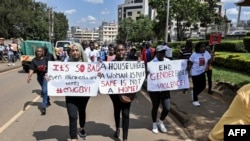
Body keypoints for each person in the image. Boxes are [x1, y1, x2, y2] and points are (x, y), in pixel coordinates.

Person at [109, 43, 134, 141]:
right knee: (116, 111)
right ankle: (117, 128)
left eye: (122, 50)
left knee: (126, 114)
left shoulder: (131, 63)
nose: (120, 52)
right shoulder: (110, 64)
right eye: (118, 50)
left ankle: (125, 138)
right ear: (115, 52)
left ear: (125, 50)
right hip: (115, 94)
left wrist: (139, 65)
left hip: (127, 93)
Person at [65, 43, 89, 141]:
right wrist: (50, 77)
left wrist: (98, 74)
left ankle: (82, 127)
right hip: (71, 93)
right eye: (73, 50)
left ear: (80, 51)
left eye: (77, 50)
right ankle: (73, 137)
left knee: (82, 111)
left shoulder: (87, 62)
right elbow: (58, 74)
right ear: (70, 52)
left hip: (84, 93)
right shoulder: (66, 62)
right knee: (72, 115)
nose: (75, 52)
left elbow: (95, 74)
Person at [147, 45, 171, 134]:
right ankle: (154, 123)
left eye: (164, 52)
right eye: (161, 52)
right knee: (155, 106)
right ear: (157, 53)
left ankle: (161, 122)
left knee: (167, 108)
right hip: (154, 90)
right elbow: (148, 77)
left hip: (165, 89)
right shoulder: (151, 63)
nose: (162, 54)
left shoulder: (168, 62)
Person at [187, 42, 211, 107]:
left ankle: (194, 93)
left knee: (203, 86)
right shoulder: (194, 55)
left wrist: (209, 63)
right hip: (195, 73)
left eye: (204, 47)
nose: (203, 48)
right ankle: (195, 100)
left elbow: (209, 60)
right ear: (198, 48)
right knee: (196, 86)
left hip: (202, 72)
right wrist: (188, 72)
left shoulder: (206, 53)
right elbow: (190, 64)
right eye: (202, 47)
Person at [27, 47, 49, 115]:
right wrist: (29, 76)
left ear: (42, 52)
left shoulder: (46, 59)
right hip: (39, 78)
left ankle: (43, 107)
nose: (39, 52)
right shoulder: (34, 60)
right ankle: (47, 100)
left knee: (44, 91)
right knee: (44, 90)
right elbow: (31, 69)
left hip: (46, 77)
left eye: (40, 51)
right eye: (37, 51)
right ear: (36, 52)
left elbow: (52, 66)